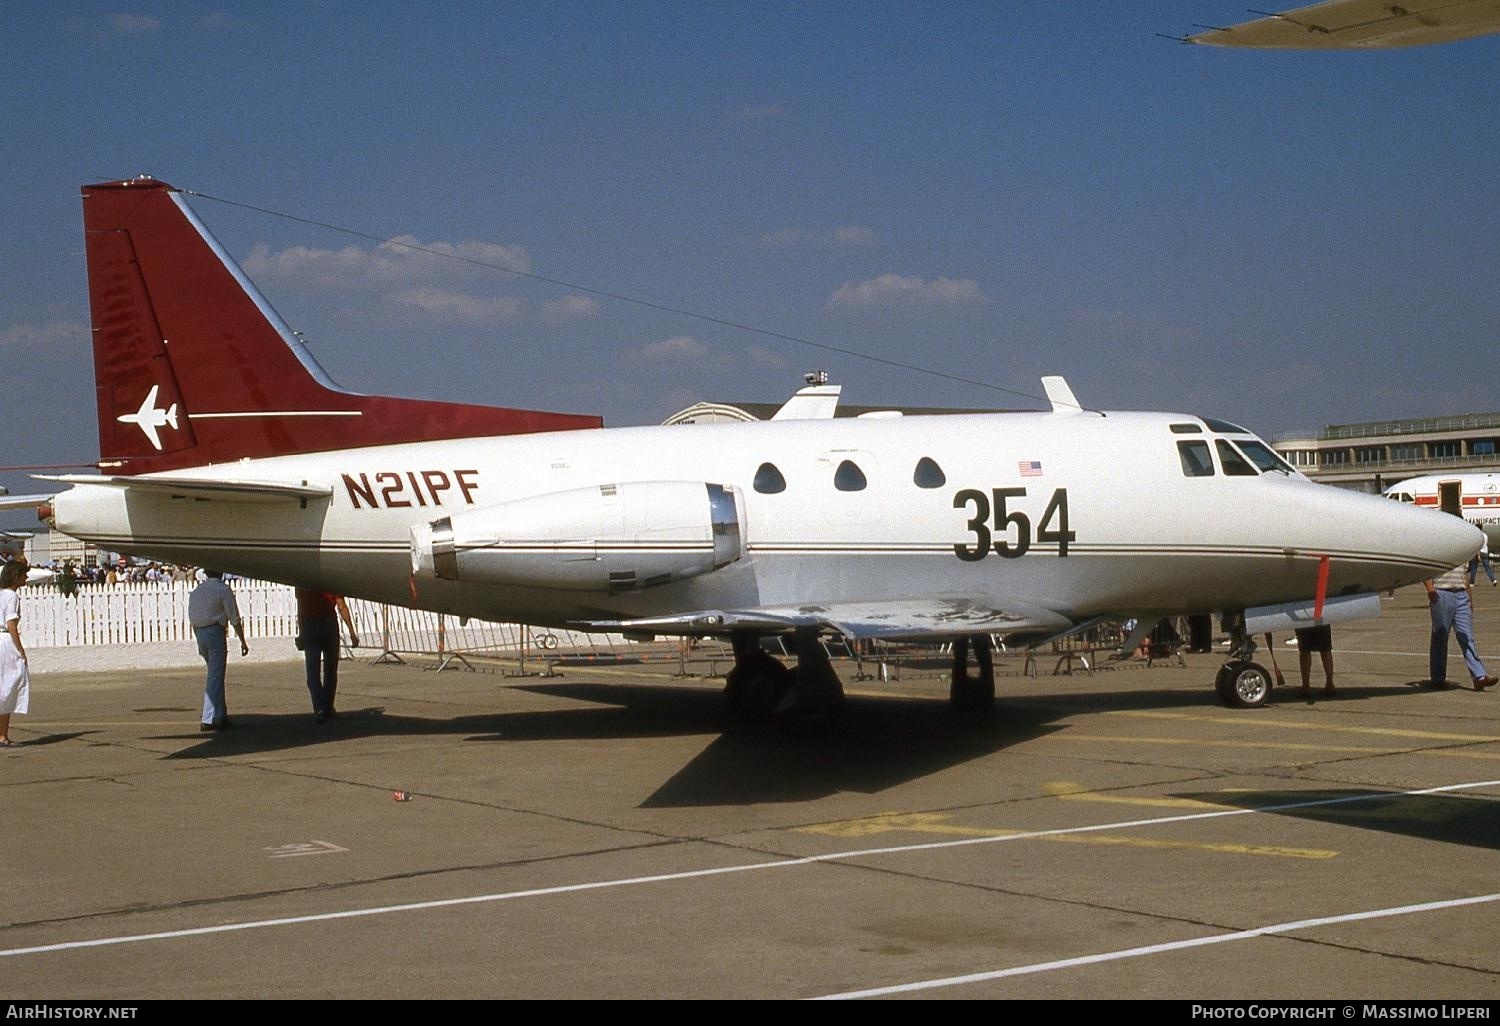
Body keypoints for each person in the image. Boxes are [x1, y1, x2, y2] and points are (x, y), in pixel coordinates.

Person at [188, 569, 249, 730]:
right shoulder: (223, 589)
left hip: (199, 632)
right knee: (215, 677)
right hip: (215, 631)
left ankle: (220, 715)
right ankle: (208, 719)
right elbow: (234, 617)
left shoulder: (197, 591)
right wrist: (242, 640)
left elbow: (192, 616)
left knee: (216, 674)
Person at [1424, 563, 1497, 691]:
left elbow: (1464, 575)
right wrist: (1430, 589)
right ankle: (1438, 679)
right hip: (1441, 592)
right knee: (1440, 636)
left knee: (1466, 636)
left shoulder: (1462, 550)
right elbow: (1424, 569)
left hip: (1461, 594)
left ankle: (1479, 676)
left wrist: (1469, 598)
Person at [295, 588, 358, 723]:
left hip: (309, 625)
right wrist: (352, 632)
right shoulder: (329, 580)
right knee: (330, 670)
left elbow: (300, 609)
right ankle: (328, 706)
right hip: (329, 624)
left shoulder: (302, 581)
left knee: (313, 672)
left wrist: (301, 633)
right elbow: (341, 606)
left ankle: (320, 709)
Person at [0, 561, 30, 747]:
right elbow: (11, 625)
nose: (25, 578)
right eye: (22, 575)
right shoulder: (12, 596)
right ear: (15, 576)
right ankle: (2, 735)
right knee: (9, 686)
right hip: (5, 642)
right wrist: (20, 649)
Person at [1294, 624, 1335, 698]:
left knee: (1305, 650)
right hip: (1320, 616)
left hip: (1305, 618)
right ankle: (1329, 683)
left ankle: (1306, 686)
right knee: (1325, 649)